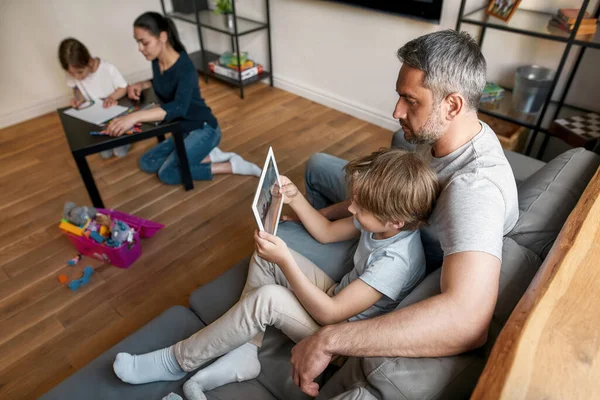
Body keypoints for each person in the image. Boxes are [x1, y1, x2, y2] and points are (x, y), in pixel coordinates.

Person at [279, 29, 520, 397]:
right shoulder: (442, 136)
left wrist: (329, 340)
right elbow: (385, 197)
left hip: (388, 245)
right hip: (382, 216)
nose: (396, 112)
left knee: (275, 240)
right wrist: (318, 213)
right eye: (399, 97)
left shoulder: (474, 191)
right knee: (316, 166)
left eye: (410, 101)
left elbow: (468, 320)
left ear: (452, 105)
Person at [112, 148, 439, 400]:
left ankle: (177, 360)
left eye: (361, 208)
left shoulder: (395, 262)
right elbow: (325, 231)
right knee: (267, 253)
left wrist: (286, 262)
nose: (352, 209)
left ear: (396, 221)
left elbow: (330, 314)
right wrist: (295, 199)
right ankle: (246, 350)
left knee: (269, 297)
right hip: (337, 298)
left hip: (338, 337)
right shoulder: (382, 222)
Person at [105, 12, 260, 184]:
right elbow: (163, 82)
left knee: (167, 174)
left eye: (144, 42)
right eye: (138, 42)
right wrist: (141, 84)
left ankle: (231, 165)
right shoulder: (157, 61)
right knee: (146, 162)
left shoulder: (185, 68)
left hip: (204, 128)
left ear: (162, 37)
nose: (140, 48)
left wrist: (134, 117)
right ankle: (207, 155)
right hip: (182, 130)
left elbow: (178, 107)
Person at [58, 38, 131, 159]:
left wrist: (111, 97)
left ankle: (125, 138)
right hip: (96, 116)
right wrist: (77, 99)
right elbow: (76, 88)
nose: (77, 77)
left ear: (90, 62)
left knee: (119, 152)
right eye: (72, 74)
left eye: (80, 72)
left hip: (114, 113)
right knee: (105, 154)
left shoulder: (107, 69)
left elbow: (123, 87)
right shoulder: (73, 73)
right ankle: (110, 137)